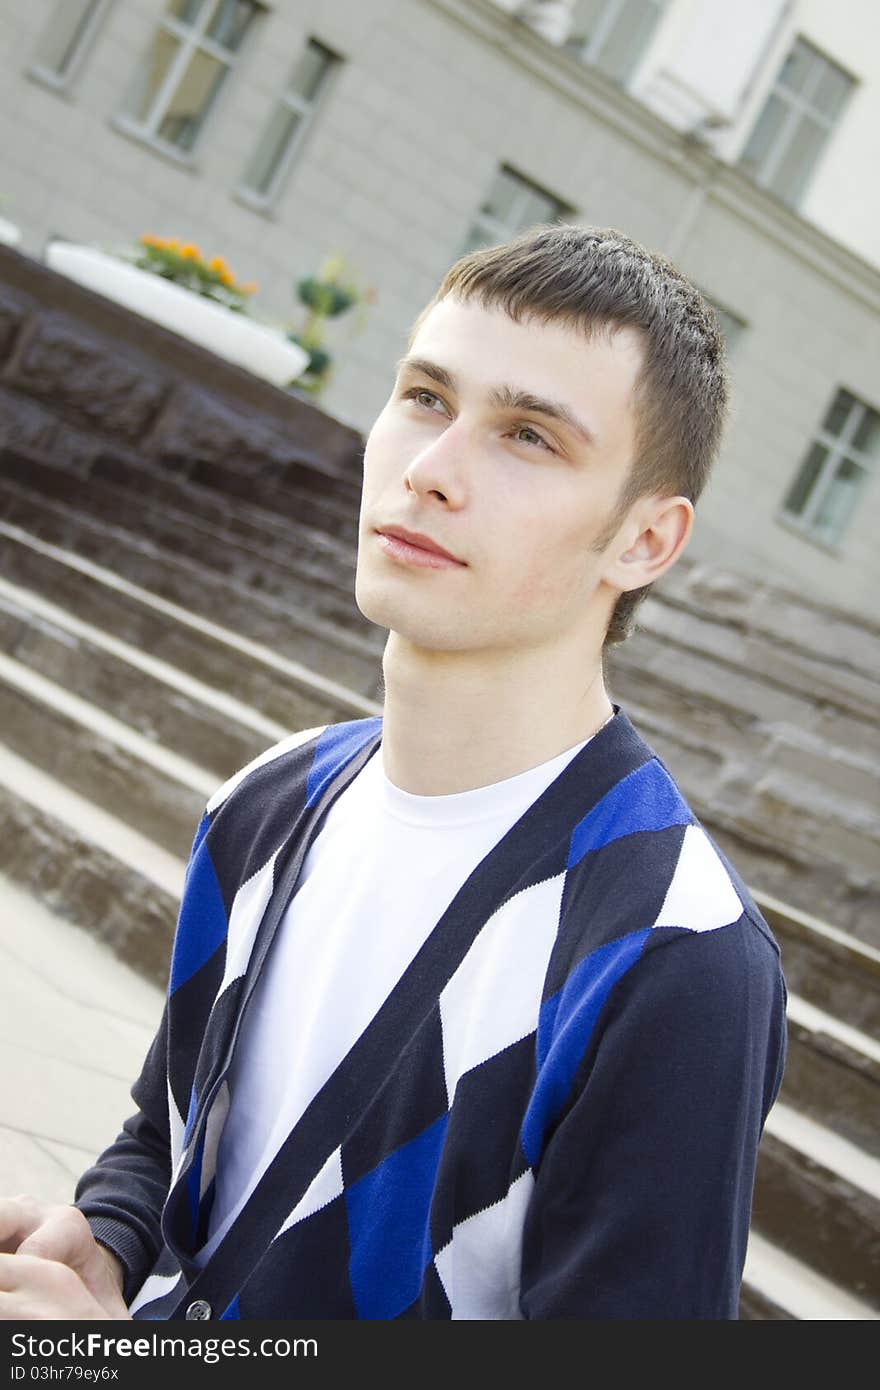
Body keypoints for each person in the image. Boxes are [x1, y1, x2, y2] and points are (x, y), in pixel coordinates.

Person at [0, 223, 787, 1321]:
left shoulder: (675, 954)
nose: (429, 471)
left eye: (526, 435)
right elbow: (164, 1139)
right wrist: (110, 1240)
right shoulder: (266, 800)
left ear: (644, 542)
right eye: (424, 397)